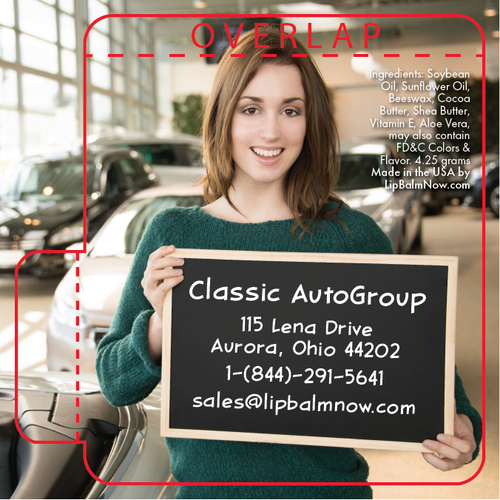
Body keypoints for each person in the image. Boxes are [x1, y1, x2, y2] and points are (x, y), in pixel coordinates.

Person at [96, 26, 481, 499]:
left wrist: (462, 433)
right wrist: (159, 327)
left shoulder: (350, 236)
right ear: (223, 118)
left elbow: (429, 375)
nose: (271, 131)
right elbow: (115, 382)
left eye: (291, 110)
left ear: (309, 121)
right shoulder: (174, 235)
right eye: (251, 108)